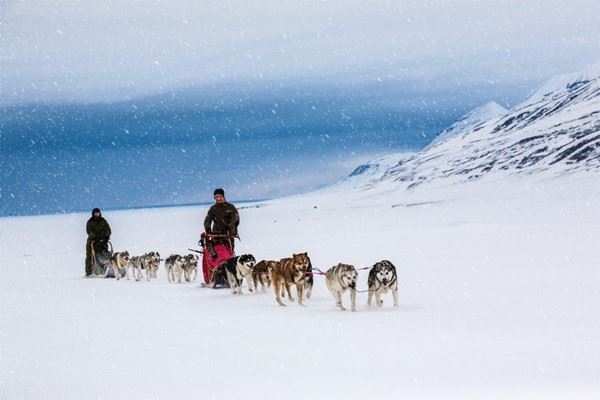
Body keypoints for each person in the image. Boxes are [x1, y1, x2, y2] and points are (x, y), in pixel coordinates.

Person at [203, 188, 239, 256]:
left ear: (223, 197)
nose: (218, 199)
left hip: (228, 234)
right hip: (216, 234)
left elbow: (235, 219)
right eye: (216, 197)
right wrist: (208, 230)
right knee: (217, 253)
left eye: (220, 197)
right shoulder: (213, 209)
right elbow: (207, 220)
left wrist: (230, 229)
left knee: (229, 253)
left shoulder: (230, 207)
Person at [85, 208, 112, 277]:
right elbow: (89, 231)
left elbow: (108, 229)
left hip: (103, 241)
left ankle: (106, 269)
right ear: (93, 213)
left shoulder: (103, 221)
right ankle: (89, 272)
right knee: (90, 257)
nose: (97, 214)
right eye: (95, 213)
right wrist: (95, 236)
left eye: (98, 212)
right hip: (92, 242)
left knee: (104, 254)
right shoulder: (90, 222)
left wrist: (106, 236)